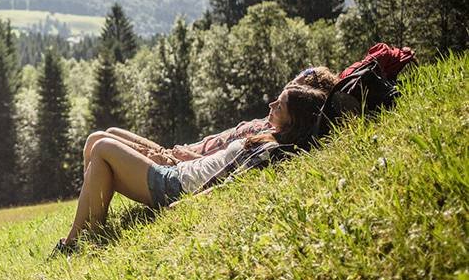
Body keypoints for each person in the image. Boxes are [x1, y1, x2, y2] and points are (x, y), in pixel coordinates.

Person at [56, 84, 327, 252]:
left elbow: (231, 184)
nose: (271, 105)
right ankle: (92, 228)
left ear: (292, 120)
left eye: (279, 105)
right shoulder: (271, 136)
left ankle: (73, 242)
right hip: (181, 173)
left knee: (103, 147)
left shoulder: (270, 150)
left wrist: (190, 203)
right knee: (99, 144)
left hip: (176, 185)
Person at [82, 66, 337, 167]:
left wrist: (182, 158)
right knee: (111, 133)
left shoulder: (272, 133)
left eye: (302, 79)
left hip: (183, 163)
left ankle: (90, 218)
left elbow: (222, 166)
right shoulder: (272, 117)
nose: (293, 81)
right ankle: (92, 206)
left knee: (97, 140)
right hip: (181, 152)